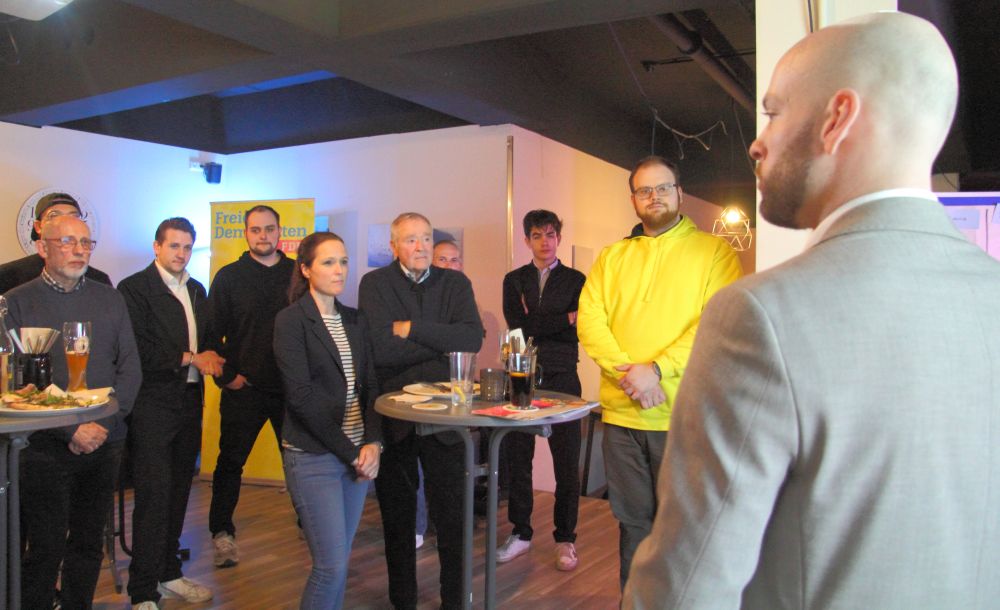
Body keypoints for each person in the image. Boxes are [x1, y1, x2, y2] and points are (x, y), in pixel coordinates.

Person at [624, 12, 1000, 609]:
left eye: (773, 112)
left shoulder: (759, 316)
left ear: (837, 118)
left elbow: (686, 590)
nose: (756, 142)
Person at [577, 155, 742, 589]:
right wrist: (632, 377)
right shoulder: (613, 257)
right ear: (634, 199)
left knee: (686, 529)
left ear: (680, 193)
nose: (654, 196)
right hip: (622, 416)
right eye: (644, 190)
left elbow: (716, 321)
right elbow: (590, 321)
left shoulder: (714, 252)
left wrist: (656, 369)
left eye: (663, 187)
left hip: (684, 417)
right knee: (633, 526)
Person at [3, 215, 141, 610]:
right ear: (42, 247)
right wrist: (71, 429)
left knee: (88, 543)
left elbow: (130, 369)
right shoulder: (16, 303)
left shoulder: (110, 299)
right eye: (67, 241)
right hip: (44, 445)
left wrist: (102, 425)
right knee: (45, 546)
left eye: (85, 242)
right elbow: (16, 384)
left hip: (104, 440)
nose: (79, 250)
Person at [359, 212, 483, 610]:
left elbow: (471, 339)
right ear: (394, 246)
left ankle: (454, 603)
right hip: (394, 417)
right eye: (411, 239)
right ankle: (404, 602)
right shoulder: (374, 284)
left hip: (446, 417)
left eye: (426, 238)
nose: (421, 246)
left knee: (453, 519)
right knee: (398, 520)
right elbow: (380, 350)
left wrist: (410, 328)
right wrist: (440, 345)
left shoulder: (456, 283)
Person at [118, 218, 224, 609]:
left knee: (180, 492)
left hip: (190, 400)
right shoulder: (133, 289)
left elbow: (207, 343)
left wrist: (214, 359)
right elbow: (137, 351)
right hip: (152, 403)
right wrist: (191, 357)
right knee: (153, 496)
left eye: (187, 247)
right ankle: (142, 590)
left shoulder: (196, 289)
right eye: (174, 246)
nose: (181, 253)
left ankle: (168, 573)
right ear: (157, 247)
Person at [273, 231, 383, 609]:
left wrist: (373, 443)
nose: (339, 270)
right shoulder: (291, 321)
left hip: (356, 455)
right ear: (305, 269)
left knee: (340, 563)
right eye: (328, 262)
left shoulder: (355, 319)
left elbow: (371, 386)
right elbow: (301, 398)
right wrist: (353, 452)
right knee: (330, 567)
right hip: (314, 456)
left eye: (344, 262)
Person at [497, 209, 586, 571]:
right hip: (523, 376)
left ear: (558, 238)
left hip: (564, 376)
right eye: (537, 235)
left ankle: (565, 538)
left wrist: (545, 322)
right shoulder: (514, 280)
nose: (545, 242)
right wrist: (563, 318)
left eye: (550, 235)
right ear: (527, 240)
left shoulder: (577, 279)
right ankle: (521, 532)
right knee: (519, 458)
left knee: (566, 463)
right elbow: (518, 327)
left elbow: (578, 328)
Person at [207, 204, 295, 567]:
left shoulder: (298, 274)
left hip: (291, 391)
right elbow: (211, 335)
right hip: (244, 389)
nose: (263, 235)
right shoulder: (229, 277)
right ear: (246, 233)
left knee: (300, 464)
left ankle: (311, 525)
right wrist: (228, 378)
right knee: (230, 463)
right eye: (256, 229)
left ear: (279, 232)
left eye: (269, 229)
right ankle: (221, 532)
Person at [0, 192, 112, 294]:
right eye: (54, 216)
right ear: (38, 226)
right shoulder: (8, 276)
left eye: (73, 217)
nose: (65, 222)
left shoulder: (100, 281)